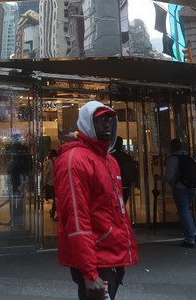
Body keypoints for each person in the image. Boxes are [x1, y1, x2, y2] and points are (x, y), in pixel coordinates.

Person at [54, 100, 137, 300]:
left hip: (112, 257)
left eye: (110, 119)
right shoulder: (74, 160)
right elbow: (76, 218)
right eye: (100, 120)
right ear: (87, 123)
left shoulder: (110, 160)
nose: (107, 124)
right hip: (97, 259)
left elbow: (117, 211)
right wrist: (89, 272)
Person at [158, 138, 196, 248]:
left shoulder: (173, 159)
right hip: (192, 186)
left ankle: (189, 239)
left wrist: (159, 178)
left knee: (183, 211)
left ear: (172, 147)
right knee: (187, 210)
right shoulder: (189, 157)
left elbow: (169, 176)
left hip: (180, 187)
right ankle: (194, 233)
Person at [111, 137, 138, 204]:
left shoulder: (110, 157)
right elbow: (133, 171)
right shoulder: (127, 158)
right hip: (126, 185)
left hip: (114, 185)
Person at [43, 149, 57, 219]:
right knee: (56, 198)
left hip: (50, 183)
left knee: (55, 199)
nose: (48, 155)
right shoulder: (59, 160)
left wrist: (44, 183)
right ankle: (53, 211)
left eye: (49, 153)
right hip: (57, 183)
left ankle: (53, 211)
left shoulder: (48, 162)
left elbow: (46, 173)